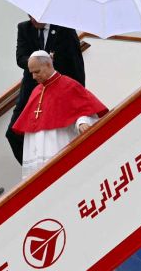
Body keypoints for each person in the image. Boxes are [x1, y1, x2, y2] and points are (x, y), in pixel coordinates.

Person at [12, 51, 107, 179]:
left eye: (37, 71)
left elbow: (84, 109)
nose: (34, 77)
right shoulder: (36, 91)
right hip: (39, 158)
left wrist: (82, 122)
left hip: (60, 147)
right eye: (32, 73)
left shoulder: (68, 85)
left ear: (48, 65)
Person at [6, 16, 85, 164]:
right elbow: (20, 57)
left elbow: (75, 63)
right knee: (13, 134)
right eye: (29, 16)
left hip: (58, 88)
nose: (32, 20)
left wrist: (79, 94)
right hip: (31, 89)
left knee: (57, 133)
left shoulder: (64, 29)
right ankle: (32, 172)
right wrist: (38, 60)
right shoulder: (24, 28)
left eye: (35, 16)